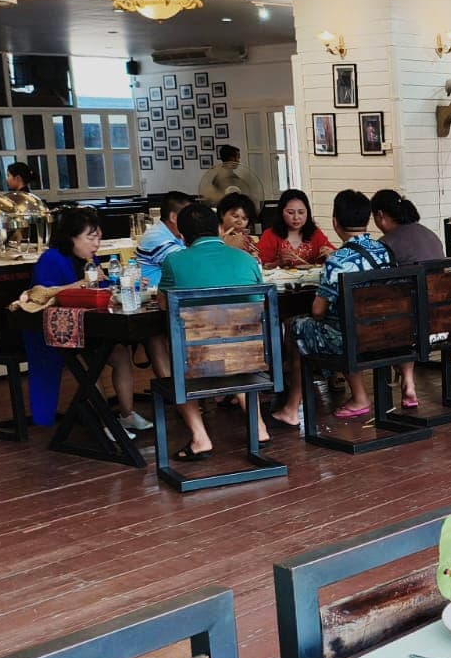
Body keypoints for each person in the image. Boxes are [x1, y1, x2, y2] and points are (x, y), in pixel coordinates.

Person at [153, 202, 269, 461]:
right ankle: (259, 427)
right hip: (247, 355)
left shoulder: (174, 262)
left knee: (159, 343)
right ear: (218, 228)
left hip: (196, 360)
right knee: (235, 348)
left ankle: (200, 437)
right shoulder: (247, 260)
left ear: (181, 236)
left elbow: (163, 304)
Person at [24, 206, 151, 432]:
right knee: (90, 363)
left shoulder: (87, 260)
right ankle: (106, 424)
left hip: (86, 329)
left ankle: (126, 414)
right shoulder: (51, 259)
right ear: (71, 237)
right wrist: (82, 284)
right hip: (56, 331)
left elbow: (102, 291)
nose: (96, 244)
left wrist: (127, 285)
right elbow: (44, 295)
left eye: (99, 238)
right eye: (90, 238)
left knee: (120, 354)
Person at [271, 189, 392, 426]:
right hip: (387, 332)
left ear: (335, 222)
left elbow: (317, 311)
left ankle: (292, 408)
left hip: (352, 339)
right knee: (339, 324)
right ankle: (355, 395)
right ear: (368, 220)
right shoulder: (385, 251)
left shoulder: (338, 261)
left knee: (295, 326)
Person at [371, 189, 445, 409]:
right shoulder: (429, 233)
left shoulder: (386, 243)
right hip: (445, 317)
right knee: (406, 308)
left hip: (413, 323)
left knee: (393, 312)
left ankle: (407, 380)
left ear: (381, 215)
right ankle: (408, 381)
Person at [258, 188, 333, 267]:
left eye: (301, 212)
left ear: (307, 212)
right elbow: (258, 264)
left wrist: (330, 254)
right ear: (281, 212)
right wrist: (278, 263)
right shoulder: (270, 235)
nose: (296, 217)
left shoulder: (315, 234)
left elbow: (336, 256)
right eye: (290, 212)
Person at [133, 191, 192, 288]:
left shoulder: (177, 234)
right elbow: (185, 264)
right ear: (173, 217)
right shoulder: (155, 236)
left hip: (169, 293)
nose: (192, 220)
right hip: (154, 298)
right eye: (188, 216)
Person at [198, 144, 263, 204]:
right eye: (238, 157)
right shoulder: (222, 175)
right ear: (231, 158)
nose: (238, 161)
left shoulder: (225, 173)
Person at [216, 192, 260, 257]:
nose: (239, 222)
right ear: (222, 214)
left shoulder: (247, 240)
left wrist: (253, 256)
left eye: (244, 219)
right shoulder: (212, 236)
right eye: (235, 216)